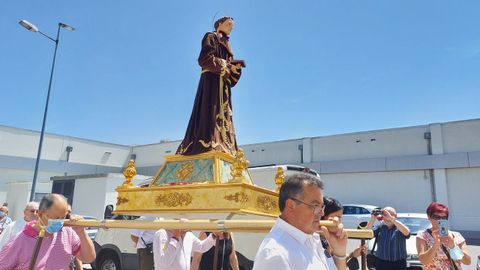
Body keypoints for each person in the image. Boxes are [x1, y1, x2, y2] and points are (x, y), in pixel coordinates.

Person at [176, 16, 243, 156]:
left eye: (233, 25)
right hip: (211, 83)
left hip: (223, 86)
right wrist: (226, 65)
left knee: (224, 114)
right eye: (229, 24)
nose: (232, 27)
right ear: (219, 24)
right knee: (209, 111)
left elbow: (230, 72)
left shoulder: (227, 44)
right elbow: (204, 59)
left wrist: (234, 69)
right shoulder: (211, 36)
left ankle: (224, 144)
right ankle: (208, 142)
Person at [253, 174, 348, 270]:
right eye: (315, 205)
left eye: (321, 206)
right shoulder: (275, 254)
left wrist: (339, 254)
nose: (322, 212)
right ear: (291, 205)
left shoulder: (311, 238)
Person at [0, 193, 96, 269]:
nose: (60, 221)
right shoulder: (20, 240)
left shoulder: (67, 233)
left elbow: (89, 258)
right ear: (40, 214)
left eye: (64, 217)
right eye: (56, 218)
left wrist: (81, 232)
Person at [416, 202, 471, 269]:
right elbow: (424, 261)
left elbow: (467, 262)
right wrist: (435, 245)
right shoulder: (423, 236)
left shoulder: (456, 236)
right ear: (429, 216)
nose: (439, 220)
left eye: (444, 218)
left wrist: (453, 246)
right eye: (436, 217)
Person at [321, 197, 367, 270]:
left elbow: (335, 262)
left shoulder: (328, 239)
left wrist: (353, 254)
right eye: (337, 217)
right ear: (322, 217)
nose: (340, 222)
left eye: (340, 217)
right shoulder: (314, 241)